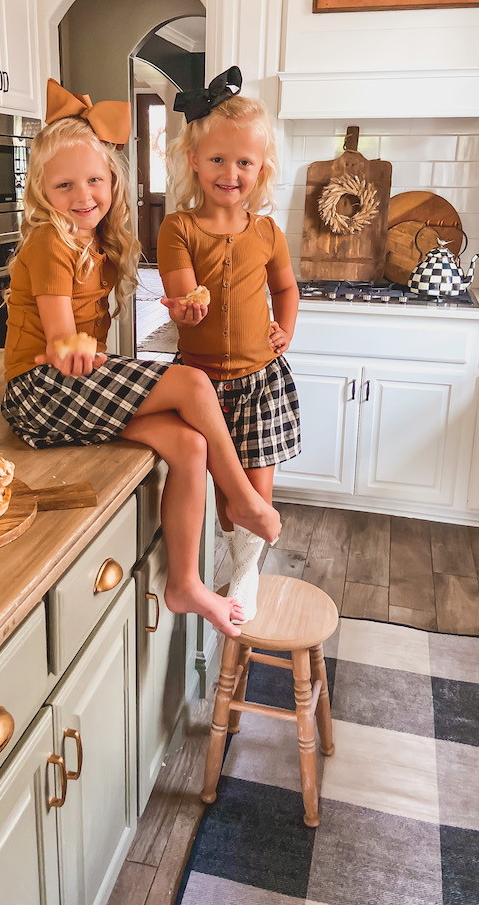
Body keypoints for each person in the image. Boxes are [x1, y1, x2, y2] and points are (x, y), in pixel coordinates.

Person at [1, 78, 281, 638]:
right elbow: (60, 341)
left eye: (95, 180)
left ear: (113, 182)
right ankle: (246, 502)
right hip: (38, 391)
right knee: (194, 387)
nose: (84, 195)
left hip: (68, 391)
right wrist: (78, 349)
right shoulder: (50, 243)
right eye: (64, 185)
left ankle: (183, 584)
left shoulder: (97, 243)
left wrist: (91, 354)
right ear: (41, 193)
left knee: (191, 443)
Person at [157, 66, 300, 621]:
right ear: (194, 159)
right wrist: (186, 306)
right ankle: (224, 559)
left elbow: (286, 288)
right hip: (200, 386)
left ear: (261, 168)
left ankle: (246, 575)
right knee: (224, 492)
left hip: (260, 378)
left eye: (244, 162)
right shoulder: (179, 229)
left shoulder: (268, 233)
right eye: (217, 159)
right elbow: (180, 290)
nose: (230, 172)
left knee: (256, 486)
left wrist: (285, 328)